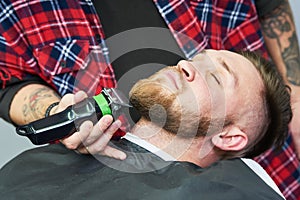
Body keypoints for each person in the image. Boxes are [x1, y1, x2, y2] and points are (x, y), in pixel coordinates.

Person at [0, 0, 299, 199]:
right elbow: (7, 80)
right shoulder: (35, 173)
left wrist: (296, 101)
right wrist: (55, 111)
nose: (185, 63)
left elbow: (270, 7)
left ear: (230, 136)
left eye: (217, 77)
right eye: (197, 58)